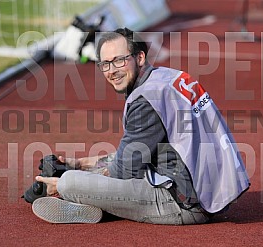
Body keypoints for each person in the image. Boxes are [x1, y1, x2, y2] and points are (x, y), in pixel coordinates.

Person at [32, 28, 250, 225]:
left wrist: (60, 185)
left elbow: (123, 171)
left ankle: (83, 200)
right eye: (105, 64)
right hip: (207, 187)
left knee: (71, 183)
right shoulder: (167, 78)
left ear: (140, 57)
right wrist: (80, 163)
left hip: (184, 203)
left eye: (119, 61)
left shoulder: (146, 101)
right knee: (94, 170)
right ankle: (95, 203)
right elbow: (137, 154)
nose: (111, 71)